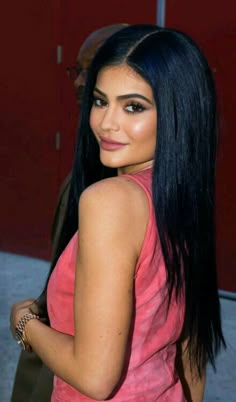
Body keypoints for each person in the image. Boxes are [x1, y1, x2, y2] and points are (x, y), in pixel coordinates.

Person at [10, 24, 226, 402]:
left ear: (178, 113)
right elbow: (190, 349)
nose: (106, 123)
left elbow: (95, 378)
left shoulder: (109, 201)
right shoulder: (181, 196)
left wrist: (25, 323)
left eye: (133, 107)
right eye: (99, 101)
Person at [10, 23, 128, 402]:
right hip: (53, 343)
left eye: (90, 70)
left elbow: (95, 375)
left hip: (79, 358)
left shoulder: (119, 192)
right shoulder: (83, 169)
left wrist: (25, 323)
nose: (79, 82)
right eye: (76, 70)